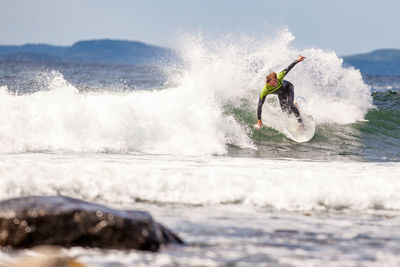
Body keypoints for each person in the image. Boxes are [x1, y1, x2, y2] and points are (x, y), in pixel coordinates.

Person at [257, 55, 306, 128]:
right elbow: (260, 105)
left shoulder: (279, 76)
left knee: (290, 105)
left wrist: (298, 60)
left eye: (276, 81)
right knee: (286, 112)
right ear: (268, 82)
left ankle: (301, 123)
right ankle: (296, 106)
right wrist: (259, 120)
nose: (275, 83)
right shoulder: (265, 90)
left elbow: (288, 68)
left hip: (288, 88)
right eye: (273, 82)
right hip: (281, 94)